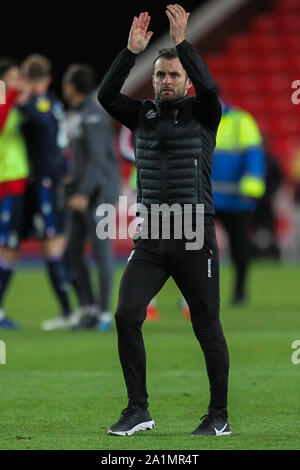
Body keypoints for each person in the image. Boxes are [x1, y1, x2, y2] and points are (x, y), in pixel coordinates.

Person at [98, 5, 231, 437]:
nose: (167, 81)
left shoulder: (204, 113)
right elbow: (106, 96)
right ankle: (139, 409)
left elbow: (210, 87)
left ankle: (218, 417)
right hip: (152, 238)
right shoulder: (141, 115)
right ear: (152, 81)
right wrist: (130, 53)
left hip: (194, 235)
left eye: (174, 75)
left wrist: (183, 43)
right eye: (160, 75)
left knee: (206, 324)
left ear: (186, 81)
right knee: (126, 314)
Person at [62, 64, 120, 330]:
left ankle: (104, 314)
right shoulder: (79, 115)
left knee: (101, 253)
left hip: (100, 195)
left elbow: (97, 160)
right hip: (81, 193)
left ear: (72, 86)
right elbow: (83, 159)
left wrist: (84, 193)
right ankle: (88, 308)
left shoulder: (93, 117)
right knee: (72, 252)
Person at [20, 54, 75, 331]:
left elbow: (43, 128)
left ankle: (69, 310)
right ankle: (75, 307)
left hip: (45, 182)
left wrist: (25, 104)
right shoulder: (53, 103)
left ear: (28, 79)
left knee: (52, 245)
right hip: (48, 180)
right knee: (50, 244)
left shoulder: (37, 104)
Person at [211, 102, 266, 305]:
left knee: (239, 248)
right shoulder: (196, 117)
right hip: (206, 197)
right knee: (191, 248)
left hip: (235, 199)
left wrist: (251, 188)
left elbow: (254, 155)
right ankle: (191, 296)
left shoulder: (241, 121)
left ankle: (240, 292)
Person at [118, 124, 160, 322]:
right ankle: (147, 304)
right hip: (143, 188)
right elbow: (124, 147)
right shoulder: (139, 116)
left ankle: (189, 304)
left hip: (175, 190)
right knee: (146, 246)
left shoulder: (182, 115)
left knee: (182, 246)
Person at [0, 58, 30, 329]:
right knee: (6, 247)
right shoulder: (3, 97)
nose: (18, 79)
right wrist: (10, 92)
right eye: (12, 76)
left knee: (11, 249)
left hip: (18, 183)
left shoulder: (15, 101)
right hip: (4, 182)